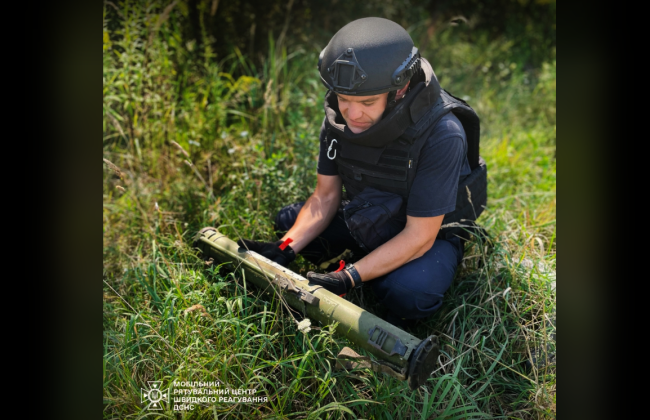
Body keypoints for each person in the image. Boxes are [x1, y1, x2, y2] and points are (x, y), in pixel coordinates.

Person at [238, 17, 487, 327]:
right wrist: (284, 248)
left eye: (367, 102)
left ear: (400, 90)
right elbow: (325, 196)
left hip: (427, 233)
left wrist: (348, 278)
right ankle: (370, 266)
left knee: (408, 293)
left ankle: (380, 275)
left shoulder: (441, 133)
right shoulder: (339, 118)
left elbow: (420, 236)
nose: (353, 114)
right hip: (370, 215)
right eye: (344, 99)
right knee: (287, 225)